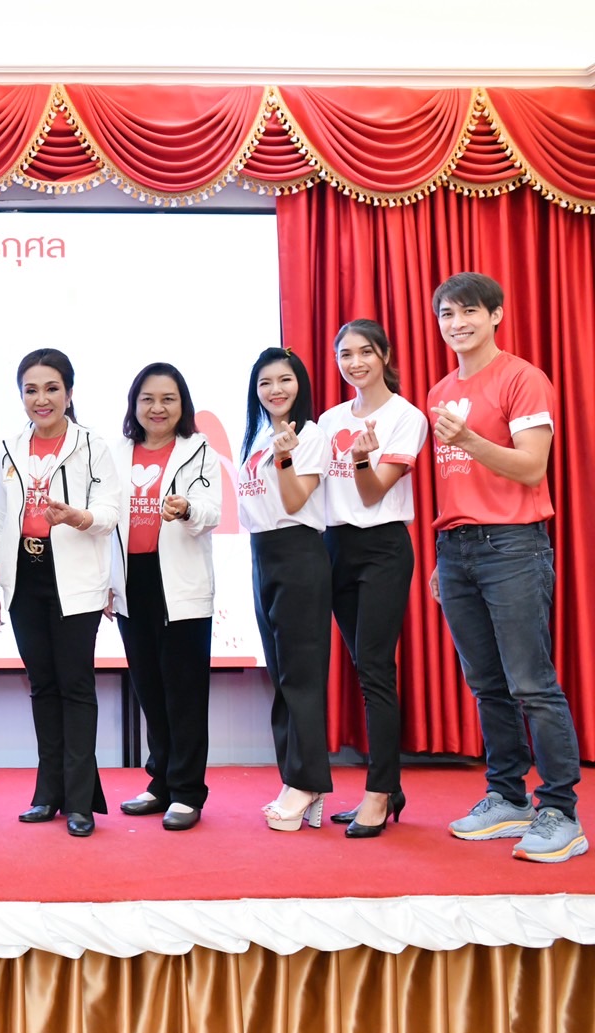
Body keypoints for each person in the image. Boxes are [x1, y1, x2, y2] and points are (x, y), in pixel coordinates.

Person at [427, 272, 585, 863]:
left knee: (532, 684)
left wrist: (469, 438)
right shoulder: (441, 390)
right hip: (458, 548)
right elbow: (454, 483)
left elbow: (531, 467)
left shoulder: (522, 378)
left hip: (513, 546)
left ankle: (561, 811)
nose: (457, 323)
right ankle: (507, 797)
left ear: (495, 315)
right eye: (447, 314)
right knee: (486, 684)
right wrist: (444, 555)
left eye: (469, 311)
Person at [0, 349, 118, 838]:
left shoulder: (92, 445)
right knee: (42, 686)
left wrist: (80, 517)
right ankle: (49, 793)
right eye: (31, 390)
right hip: (26, 577)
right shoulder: (9, 447)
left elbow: (110, 511)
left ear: (69, 393)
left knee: (75, 687)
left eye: (52, 388)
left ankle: (80, 802)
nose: (42, 399)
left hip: (75, 579)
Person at [317, 321, 428, 839]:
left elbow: (371, 493)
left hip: (383, 547)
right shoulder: (329, 419)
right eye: (346, 354)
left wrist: (361, 457)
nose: (355, 362)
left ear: (384, 355)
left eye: (365, 351)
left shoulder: (407, 417)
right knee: (365, 667)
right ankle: (390, 786)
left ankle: (379, 791)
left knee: (377, 668)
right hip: (335, 547)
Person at [109, 363, 220, 832]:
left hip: (179, 582)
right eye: (148, 399)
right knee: (150, 689)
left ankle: (188, 791)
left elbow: (212, 511)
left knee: (184, 693)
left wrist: (187, 508)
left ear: (182, 405)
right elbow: (105, 518)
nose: (157, 408)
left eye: (168, 399)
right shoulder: (116, 453)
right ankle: (161, 783)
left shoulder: (199, 450)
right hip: (132, 582)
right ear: (134, 405)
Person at [237, 347, 332, 832]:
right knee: (282, 677)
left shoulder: (310, 435)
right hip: (264, 555)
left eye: (285, 380)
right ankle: (294, 779)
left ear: (301, 384)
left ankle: (306, 781)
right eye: (265, 382)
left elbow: (295, 501)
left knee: (301, 676)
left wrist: (286, 456)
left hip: (298, 554)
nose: (275, 390)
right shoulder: (257, 438)